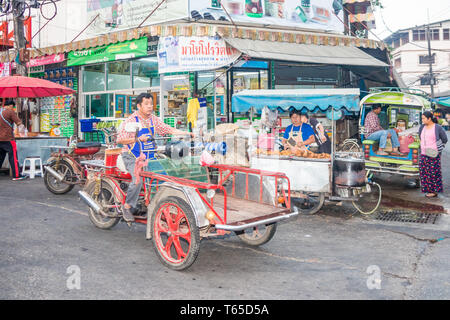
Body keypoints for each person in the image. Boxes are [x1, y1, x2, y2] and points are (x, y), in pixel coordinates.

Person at [116, 93, 194, 222]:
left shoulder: (153, 119)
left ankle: (155, 203)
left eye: (151, 104)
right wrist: (136, 139)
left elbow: (168, 129)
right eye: (146, 104)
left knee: (164, 175)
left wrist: (187, 133)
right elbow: (120, 139)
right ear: (139, 106)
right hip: (131, 156)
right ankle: (127, 206)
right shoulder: (131, 121)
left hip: (148, 155)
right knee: (138, 180)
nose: (150, 107)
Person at [418, 111, 447, 198]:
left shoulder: (437, 127)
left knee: (433, 172)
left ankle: (434, 191)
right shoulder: (422, 127)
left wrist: (438, 148)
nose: (422, 120)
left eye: (423, 118)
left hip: (434, 153)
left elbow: (444, 139)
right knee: (424, 173)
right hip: (423, 153)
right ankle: (428, 190)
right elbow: (420, 137)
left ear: (429, 118)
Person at [0, 99, 26, 180]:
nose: (13, 108)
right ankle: (16, 175)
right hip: (9, 139)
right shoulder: (10, 112)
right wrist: (22, 131)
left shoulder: (0, 112)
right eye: (13, 106)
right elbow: (19, 123)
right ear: (11, 105)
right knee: (13, 157)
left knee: (0, 158)